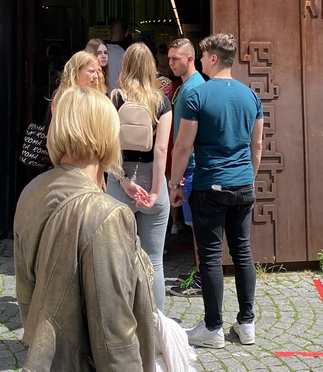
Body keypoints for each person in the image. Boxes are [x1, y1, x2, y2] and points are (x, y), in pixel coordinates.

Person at [14, 85, 156, 371]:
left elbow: (26, 295)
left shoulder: (31, 191)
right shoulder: (107, 215)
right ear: (106, 135)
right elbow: (115, 338)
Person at [169, 33, 263, 348]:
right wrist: (250, 177)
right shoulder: (251, 96)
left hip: (210, 184)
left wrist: (174, 185)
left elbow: (183, 146)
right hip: (242, 185)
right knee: (243, 252)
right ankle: (247, 323)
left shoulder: (198, 95)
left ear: (211, 58)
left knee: (210, 257)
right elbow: (257, 145)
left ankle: (213, 328)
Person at [106, 43, 173, 311]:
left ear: (125, 67)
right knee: (154, 260)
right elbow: (161, 149)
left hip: (120, 182)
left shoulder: (115, 98)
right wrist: (155, 191)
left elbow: (108, 146)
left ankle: (120, 321)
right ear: (151, 68)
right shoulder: (162, 101)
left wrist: (124, 181)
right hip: (151, 180)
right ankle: (155, 324)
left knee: (117, 258)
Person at [166, 37, 204, 297]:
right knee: (193, 225)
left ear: (190, 59)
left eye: (175, 59)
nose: (170, 64)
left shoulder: (193, 88)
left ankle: (201, 277)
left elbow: (186, 140)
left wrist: (176, 178)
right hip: (188, 165)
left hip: (191, 165)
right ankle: (199, 272)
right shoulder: (185, 85)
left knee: (197, 226)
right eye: (169, 59)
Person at [105, 18, 131, 90]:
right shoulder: (126, 55)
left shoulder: (98, 52)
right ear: (126, 34)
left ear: (108, 32)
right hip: (119, 96)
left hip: (101, 97)